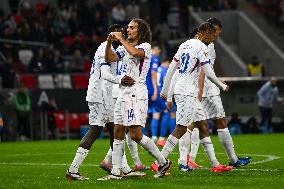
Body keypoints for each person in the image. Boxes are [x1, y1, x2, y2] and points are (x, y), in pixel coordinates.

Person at [98, 19, 171, 180]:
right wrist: (110, 43)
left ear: (141, 31)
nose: (128, 30)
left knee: (135, 135)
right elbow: (109, 58)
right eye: (128, 27)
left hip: (136, 93)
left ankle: (162, 161)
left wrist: (122, 40)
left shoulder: (144, 46)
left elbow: (136, 54)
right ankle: (116, 172)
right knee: (118, 131)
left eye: (132, 28)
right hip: (124, 92)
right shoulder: (125, 48)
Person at [154, 22, 233, 173]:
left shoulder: (184, 44)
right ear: (203, 33)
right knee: (181, 128)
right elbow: (209, 73)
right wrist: (222, 86)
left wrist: (166, 91)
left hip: (183, 90)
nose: (213, 38)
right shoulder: (202, 47)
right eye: (211, 35)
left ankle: (215, 165)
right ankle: (159, 161)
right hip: (187, 92)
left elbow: (172, 68)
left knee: (203, 126)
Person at [178, 18, 252, 169]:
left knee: (190, 125)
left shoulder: (191, 44)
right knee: (219, 123)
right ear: (212, 29)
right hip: (206, 90)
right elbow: (202, 72)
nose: (217, 35)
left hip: (194, 89)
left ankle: (185, 160)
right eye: (217, 31)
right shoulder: (206, 46)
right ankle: (232, 159)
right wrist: (200, 90)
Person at [66, 24, 135, 181]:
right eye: (121, 33)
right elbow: (104, 74)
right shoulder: (104, 48)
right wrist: (121, 80)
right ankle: (73, 169)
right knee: (96, 131)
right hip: (99, 95)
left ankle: (123, 168)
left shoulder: (116, 50)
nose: (124, 35)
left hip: (106, 95)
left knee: (115, 130)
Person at [154, 58, 176, 147]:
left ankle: (154, 137)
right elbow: (166, 82)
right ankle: (164, 138)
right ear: (166, 62)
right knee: (169, 113)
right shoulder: (165, 70)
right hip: (163, 94)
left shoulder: (157, 69)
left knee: (157, 114)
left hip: (155, 95)